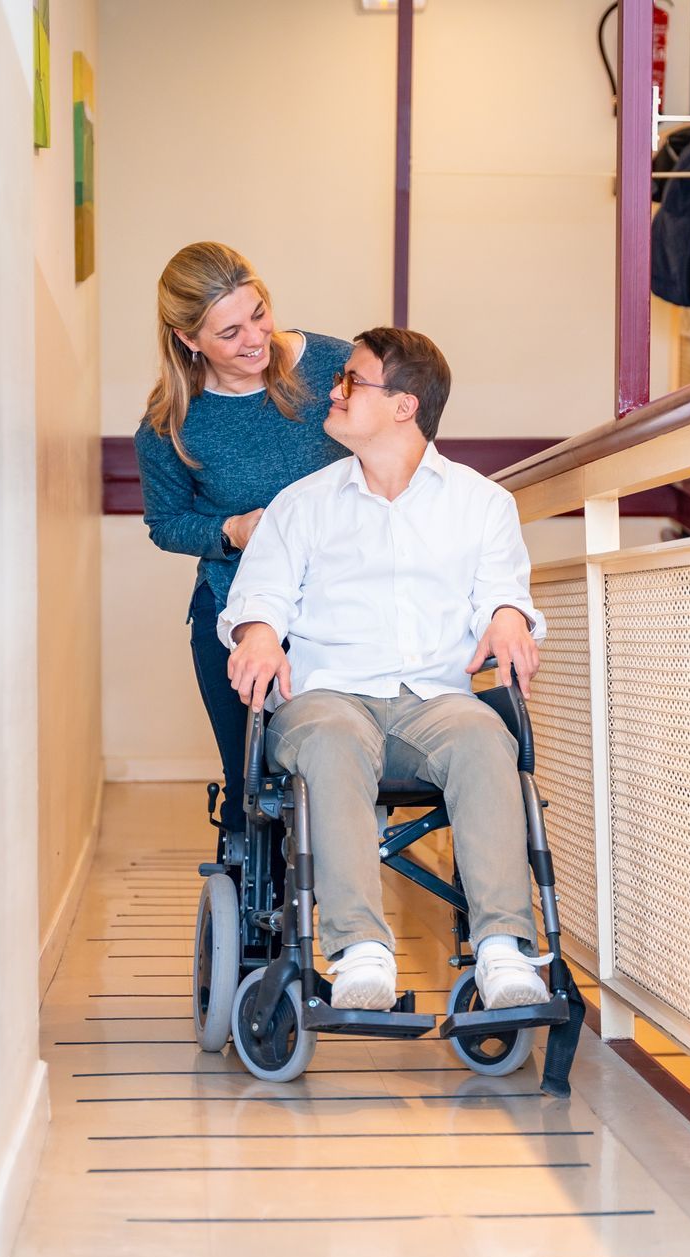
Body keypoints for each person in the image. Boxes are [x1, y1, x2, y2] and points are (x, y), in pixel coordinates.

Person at [218, 327, 550, 1011]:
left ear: (405, 406)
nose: (332, 393)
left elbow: (503, 592)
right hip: (327, 699)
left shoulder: (482, 504)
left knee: (487, 737)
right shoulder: (302, 505)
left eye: (351, 382)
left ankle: (501, 952)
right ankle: (360, 949)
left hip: (434, 700)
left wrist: (509, 618)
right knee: (332, 740)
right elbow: (263, 596)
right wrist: (257, 635)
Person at [135, 243, 352, 837]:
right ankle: (257, 919)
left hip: (343, 605)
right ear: (188, 338)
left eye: (260, 314)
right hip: (235, 606)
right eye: (230, 332)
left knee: (336, 770)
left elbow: (401, 436)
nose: (256, 339)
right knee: (253, 785)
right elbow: (167, 524)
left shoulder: (336, 366)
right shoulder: (172, 424)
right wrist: (230, 531)